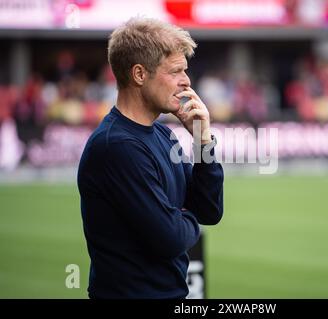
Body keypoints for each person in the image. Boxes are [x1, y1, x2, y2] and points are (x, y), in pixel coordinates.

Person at [77, 17, 224, 299]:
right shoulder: (117, 147)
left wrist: (202, 140)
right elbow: (170, 239)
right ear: (139, 74)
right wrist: (181, 216)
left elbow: (209, 210)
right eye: (175, 71)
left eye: (186, 70)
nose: (186, 81)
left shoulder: (161, 134)